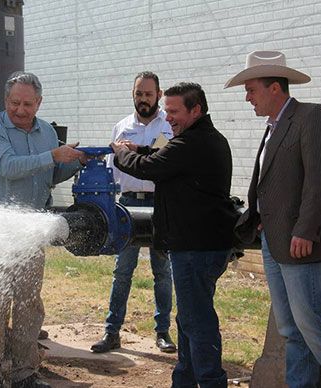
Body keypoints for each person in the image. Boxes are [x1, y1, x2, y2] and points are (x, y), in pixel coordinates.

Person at [224, 51, 321, 388]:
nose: (247, 97)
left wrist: (305, 230)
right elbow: (273, 180)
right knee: (291, 329)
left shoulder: (310, 116)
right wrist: (259, 217)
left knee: (313, 323)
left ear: (275, 88)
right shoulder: (273, 127)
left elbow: (319, 180)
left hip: (300, 241)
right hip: (273, 239)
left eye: (251, 89)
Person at [111, 82, 237, 388]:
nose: (167, 118)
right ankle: (184, 380)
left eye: (174, 111)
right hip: (198, 245)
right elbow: (163, 156)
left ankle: (210, 382)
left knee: (198, 321)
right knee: (190, 319)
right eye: (166, 111)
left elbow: (152, 166)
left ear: (196, 110)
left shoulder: (193, 143)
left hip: (196, 247)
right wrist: (137, 148)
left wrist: (120, 154)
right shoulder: (200, 139)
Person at [0, 71, 85, 388]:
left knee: (28, 302)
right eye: (14, 103)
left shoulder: (47, 132)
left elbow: (49, 176)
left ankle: (25, 372)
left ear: (39, 103)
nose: (20, 110)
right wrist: (53, 155)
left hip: (31, 228)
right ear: (5, 100)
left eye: (27, 104)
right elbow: (9, 168)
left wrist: (78, 161)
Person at [91, 71, 176, 354]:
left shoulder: (169, 127)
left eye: (148, 94)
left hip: (160, 203)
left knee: (162, 271)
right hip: (126, 203)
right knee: (122, 270)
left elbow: (161, 160)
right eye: (139, 94)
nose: (143, 99)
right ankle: (111, 331)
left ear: (159, 95)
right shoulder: (121, 127)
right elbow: (113, 167)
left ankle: (163, 332)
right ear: (133, 94)